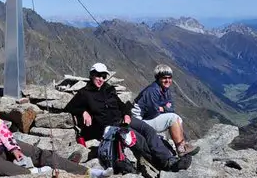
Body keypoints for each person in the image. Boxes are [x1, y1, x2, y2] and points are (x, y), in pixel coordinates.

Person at [0, 77, 113, 178]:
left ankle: (90, 172)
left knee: (38, 153)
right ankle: (36, 174)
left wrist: (13, 148)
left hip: (2, 146)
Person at [64, 63, 192, 172]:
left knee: (149, 131)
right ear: (91, 75)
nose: (100, 79)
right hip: (111, 126)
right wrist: (84, 111)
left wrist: (126, 114)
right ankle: (165, 164)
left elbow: (121, 105)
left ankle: (169, 159)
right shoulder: (85, 94)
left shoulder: (109, 90)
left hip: (123, 119)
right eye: (97, 75)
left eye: (103, 76)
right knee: (138, 139)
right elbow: (69, 107)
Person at [132, 64, 199, 157]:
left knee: (178, 118)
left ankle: (183, 145)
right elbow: (153, 112)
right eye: (164, 78)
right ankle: (181, 149)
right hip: (139, 122)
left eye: (170, 78)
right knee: (172, 118)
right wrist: (164, 108)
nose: (168, 80)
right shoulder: (152, 91)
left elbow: (171, 107)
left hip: (147, 118)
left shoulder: (165, 90)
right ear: (158, 78)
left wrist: (162, 108)